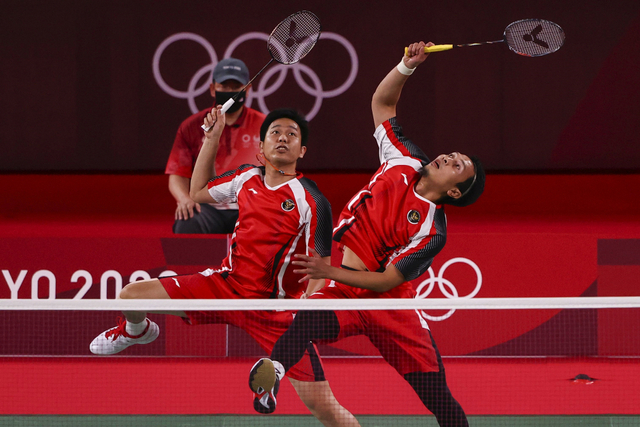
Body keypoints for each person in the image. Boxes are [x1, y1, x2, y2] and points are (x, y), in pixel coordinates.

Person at [248, 41, 486, 427]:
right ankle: (273, 372)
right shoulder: (403, 156)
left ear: (455, 191)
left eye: (458, 166)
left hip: (390, 304)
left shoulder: (432, 231)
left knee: (437, 397)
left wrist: (329, 273)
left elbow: (388, 280)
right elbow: (382, 104)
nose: (449, 157)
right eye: (454, 154)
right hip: (345, 290)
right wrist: (406, 66)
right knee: (305, 319)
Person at [90, 107, 360, 427]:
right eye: (275, 132)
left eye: (291, 134)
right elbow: (197, 192)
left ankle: (272, 382)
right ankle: (136, 331)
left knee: (325, 409)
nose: (282, 138)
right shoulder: (245, 178)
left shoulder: (313, 200)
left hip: (275, 311)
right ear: (260, 147)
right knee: (130, 296)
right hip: (224, 288)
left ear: (302, 150)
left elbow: (322, 267)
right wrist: (212, 138)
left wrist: (304, 316)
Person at [165, 57, 266, 234]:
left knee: (269, 224)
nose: (230, 91)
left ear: (247, 90)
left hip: (249, 206)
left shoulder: (266, 125)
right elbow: (177, 175)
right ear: (213, 89)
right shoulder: (191, 126)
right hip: (208, 207)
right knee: (187, 221)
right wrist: (184, 199)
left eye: (236, 87)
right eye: (224, 86)